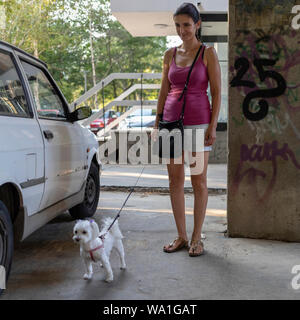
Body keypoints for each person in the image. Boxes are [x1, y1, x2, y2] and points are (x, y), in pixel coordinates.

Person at [153, 2, 221, 256]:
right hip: (170, 124)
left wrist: (212, 126)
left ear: (197, 25)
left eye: (187, 25)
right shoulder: (169, 54)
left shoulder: (208, 53)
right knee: (174, 181)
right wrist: (157, 121)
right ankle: (181, 236)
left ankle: (196, 238)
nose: (182, 30)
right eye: (178, 25)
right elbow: (163, 89)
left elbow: (216, 92)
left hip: (199, 123)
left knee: (199, 181)